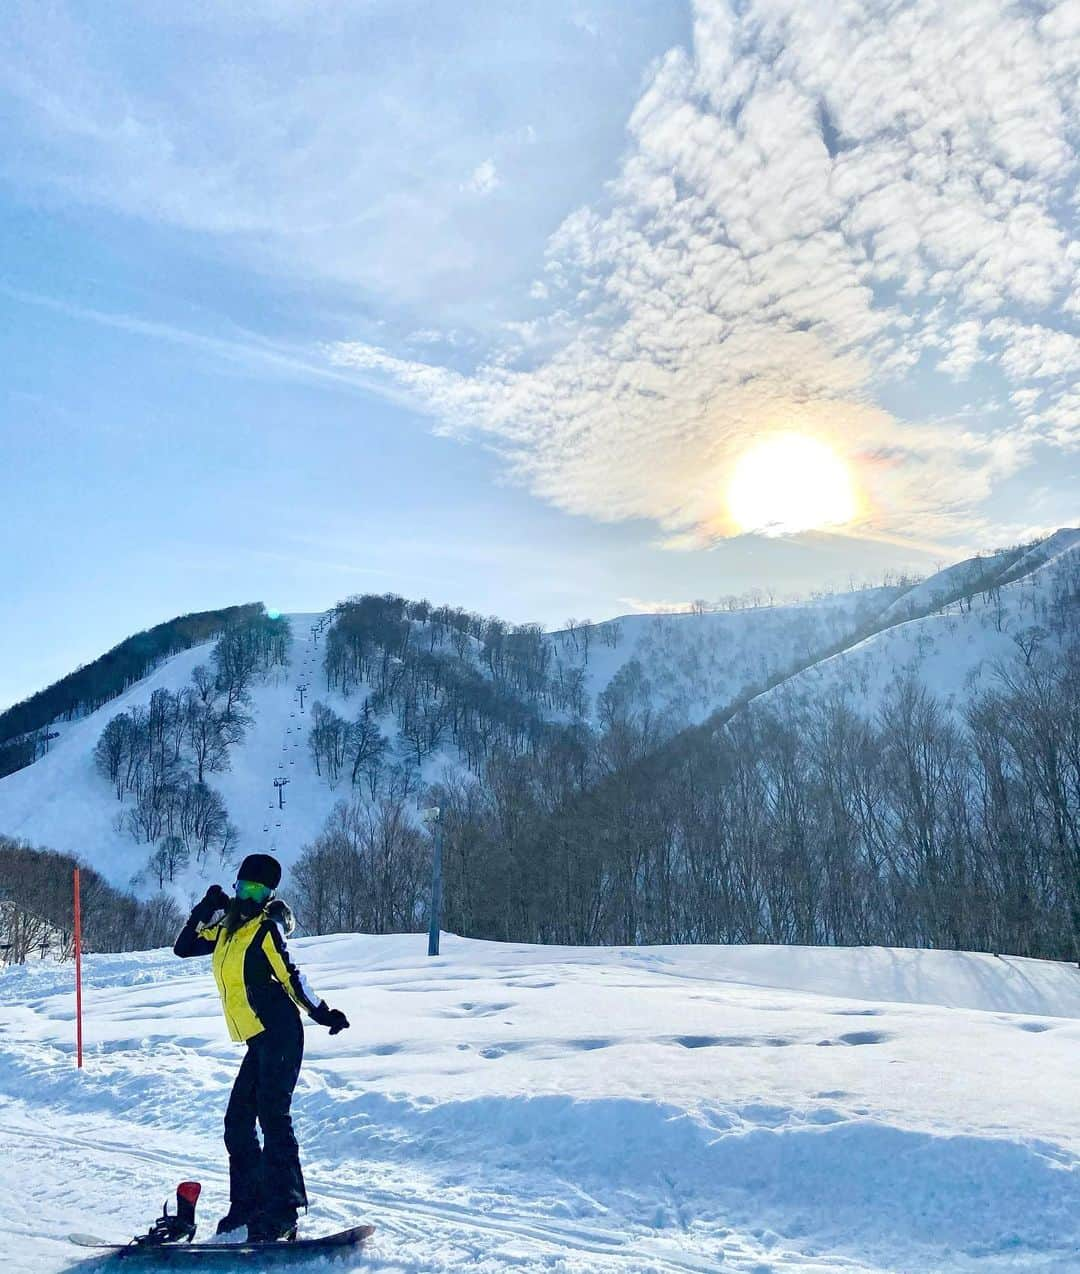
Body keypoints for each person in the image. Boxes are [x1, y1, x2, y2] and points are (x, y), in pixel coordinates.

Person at [173, 853, 350, 1243]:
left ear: (269, 893)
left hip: (282, 1033)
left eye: (259, 889)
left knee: (273, 1116)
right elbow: (183, 947)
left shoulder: (266, 929)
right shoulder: (227, 930)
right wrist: (206, 908)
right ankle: (248, 1206)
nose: (250, 895)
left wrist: (323, 1014)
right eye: (244, 887)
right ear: (236, 887)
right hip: (259, 1040)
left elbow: (291, 976)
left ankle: (283, 1210)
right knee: (237, 1123)